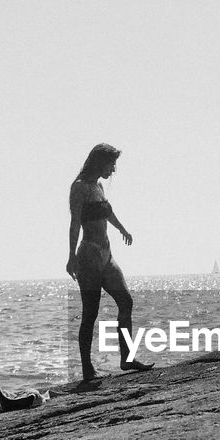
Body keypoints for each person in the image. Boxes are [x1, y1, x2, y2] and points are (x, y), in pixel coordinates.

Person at [66, 143, 153, 381]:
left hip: (107, 255)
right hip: (89, 256)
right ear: (99, 161)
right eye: (111, 163)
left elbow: (108, 212)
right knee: (90, 313)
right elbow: (75, 222)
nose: (113, 169)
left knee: (126, 301)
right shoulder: (79, 187)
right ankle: (87, 368)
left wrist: (124, 229)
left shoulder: (99, 186)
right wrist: (71, 256)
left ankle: (127, 359)